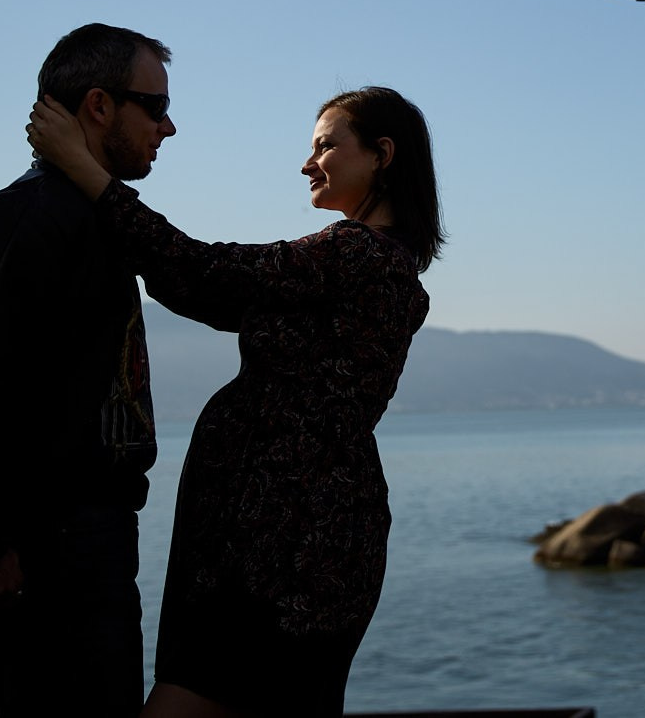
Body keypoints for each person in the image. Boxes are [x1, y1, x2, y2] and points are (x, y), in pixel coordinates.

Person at [27, 84, 439, 718]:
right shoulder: (376, 264)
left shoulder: (354, 252)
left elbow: (200, 271)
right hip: (298, 532)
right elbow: (207, 293)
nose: (307, 164)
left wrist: (83, 169)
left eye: (325, 146)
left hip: (285, 542)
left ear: (382, 154)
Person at [0, 23, 176, 717]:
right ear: (99, 105)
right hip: (49, 547)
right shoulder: (27, 218)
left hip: (89, 538)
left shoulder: (89, 217)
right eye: (155, 106)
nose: (168, 127)